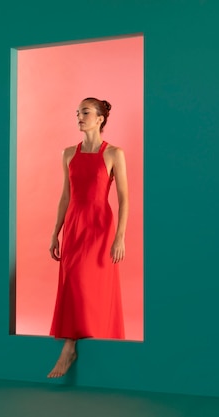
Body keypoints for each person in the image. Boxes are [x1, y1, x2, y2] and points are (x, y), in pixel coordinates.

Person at [47, 98, 128, 378]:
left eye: (85, 112)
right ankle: (73, 345)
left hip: (100, 227)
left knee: (94, 287)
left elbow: (124, 199)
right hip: (75, 226)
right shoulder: (68, 153)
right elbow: (65, 196)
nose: (79, 117)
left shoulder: (115, 153)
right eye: (77, 113)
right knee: (74, 282)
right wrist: (55, 232)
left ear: (100, 119)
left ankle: (73, 347)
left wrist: (120, 237)